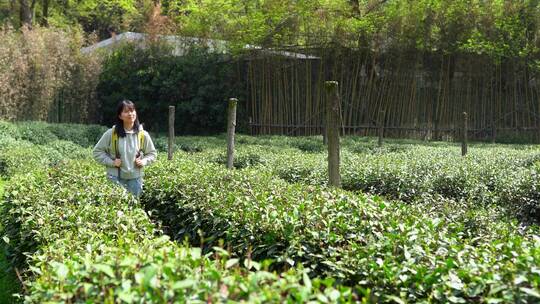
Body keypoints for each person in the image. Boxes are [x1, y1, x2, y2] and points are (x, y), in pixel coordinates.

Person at [93, 100, 157, 197]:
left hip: (135, 179)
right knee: (116, 208)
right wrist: (112, 162)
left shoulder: (142, 134)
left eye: (132, 110)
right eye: (126, 111)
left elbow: (152, 154)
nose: (130, 114)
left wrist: (144, 161)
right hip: (114, 178)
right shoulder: (111, 133)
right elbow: (97, 152)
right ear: (120, 116)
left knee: (134, 208)